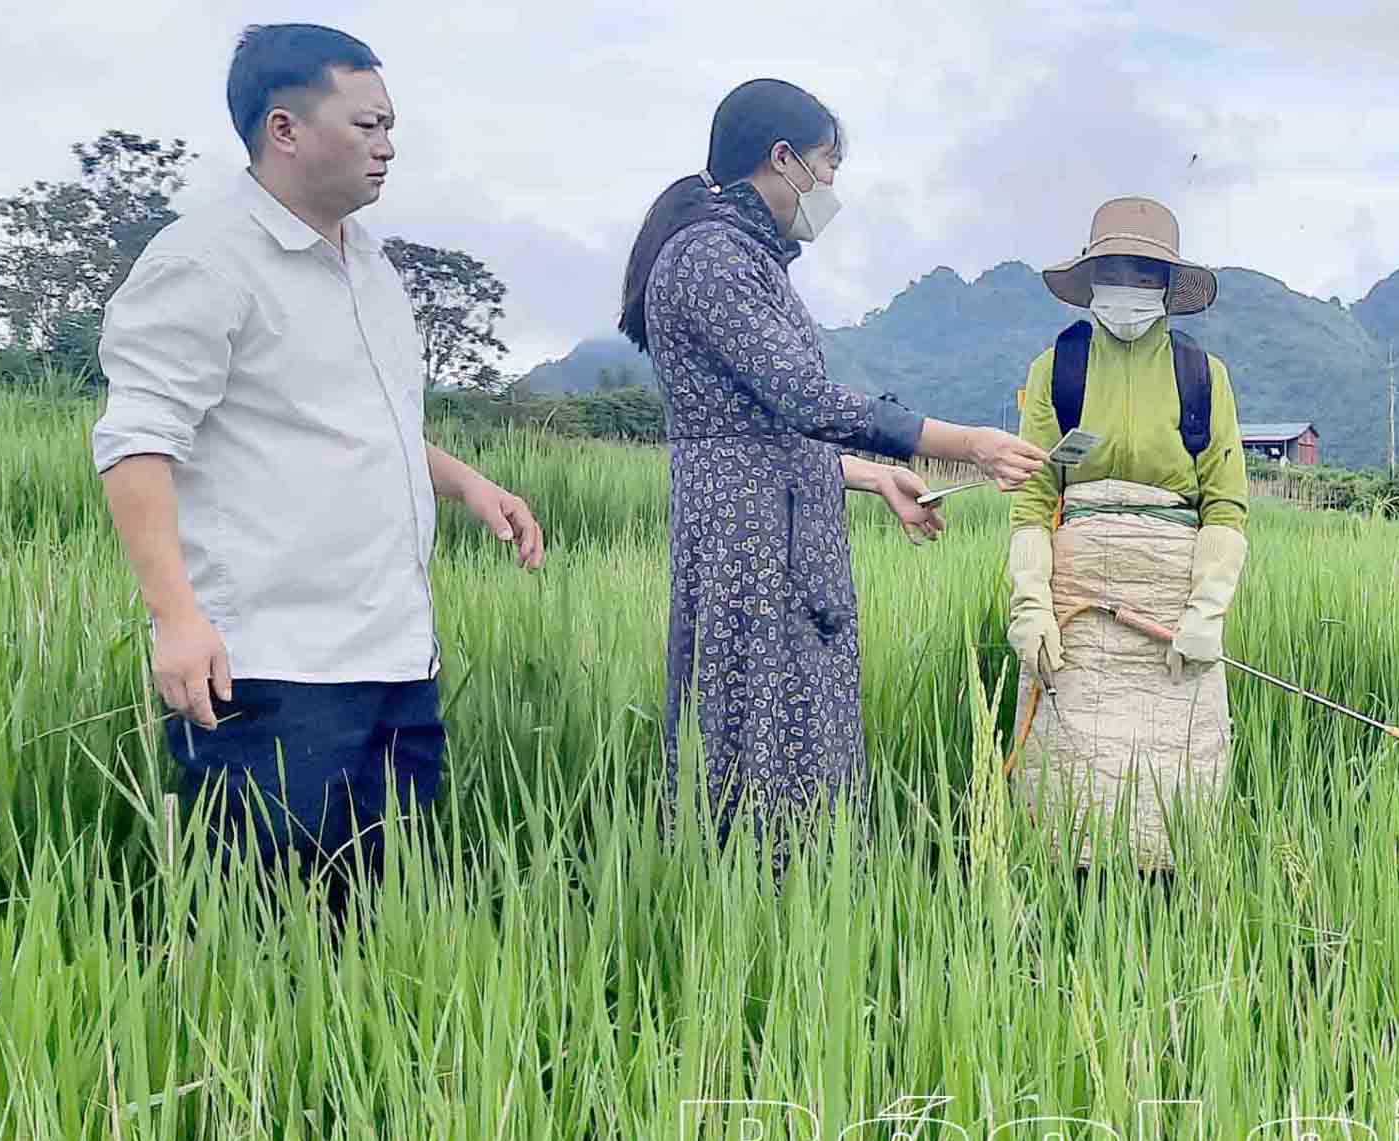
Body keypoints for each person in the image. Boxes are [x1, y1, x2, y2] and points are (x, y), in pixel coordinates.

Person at [92, 23, 544, 907]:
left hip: (395, 657)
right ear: (284, 130)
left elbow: (362, 425)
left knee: (380, 921)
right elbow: (136, 441)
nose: (387, 147)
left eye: (390, 127)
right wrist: (177, 619)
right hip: (272, 664)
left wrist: (467, 483)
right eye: (368, 125)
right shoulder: (204, 260)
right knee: (258, 932)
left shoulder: (368, 264)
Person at [619, 79, 1048, 847]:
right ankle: (753, 915)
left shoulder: (750, 258)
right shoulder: (713, 255)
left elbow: (758, 430)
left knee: (792, 731)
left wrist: (874, 474)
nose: (830, 186)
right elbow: (800, 398)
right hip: (750, 545)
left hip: (772, 525)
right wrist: (961, 442)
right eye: (827, 163)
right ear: (782, 158)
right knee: (758, 733)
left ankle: (798, 909)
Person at [1003, 197, 1250, 869]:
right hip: (1078, 598)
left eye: (1146, 275)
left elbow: (1225, 505)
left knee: (1174, 782)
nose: (1130, 290)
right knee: (1069, 787)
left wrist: (1208, 610)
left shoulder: (1203, 376)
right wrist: (1031, 606)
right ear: (1092, 279)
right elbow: (1033, 499)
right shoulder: (1058, 369)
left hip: (1171, 606)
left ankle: (1167, 922)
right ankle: (1069, 918)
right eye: (1117, 271)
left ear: (1168, 287)